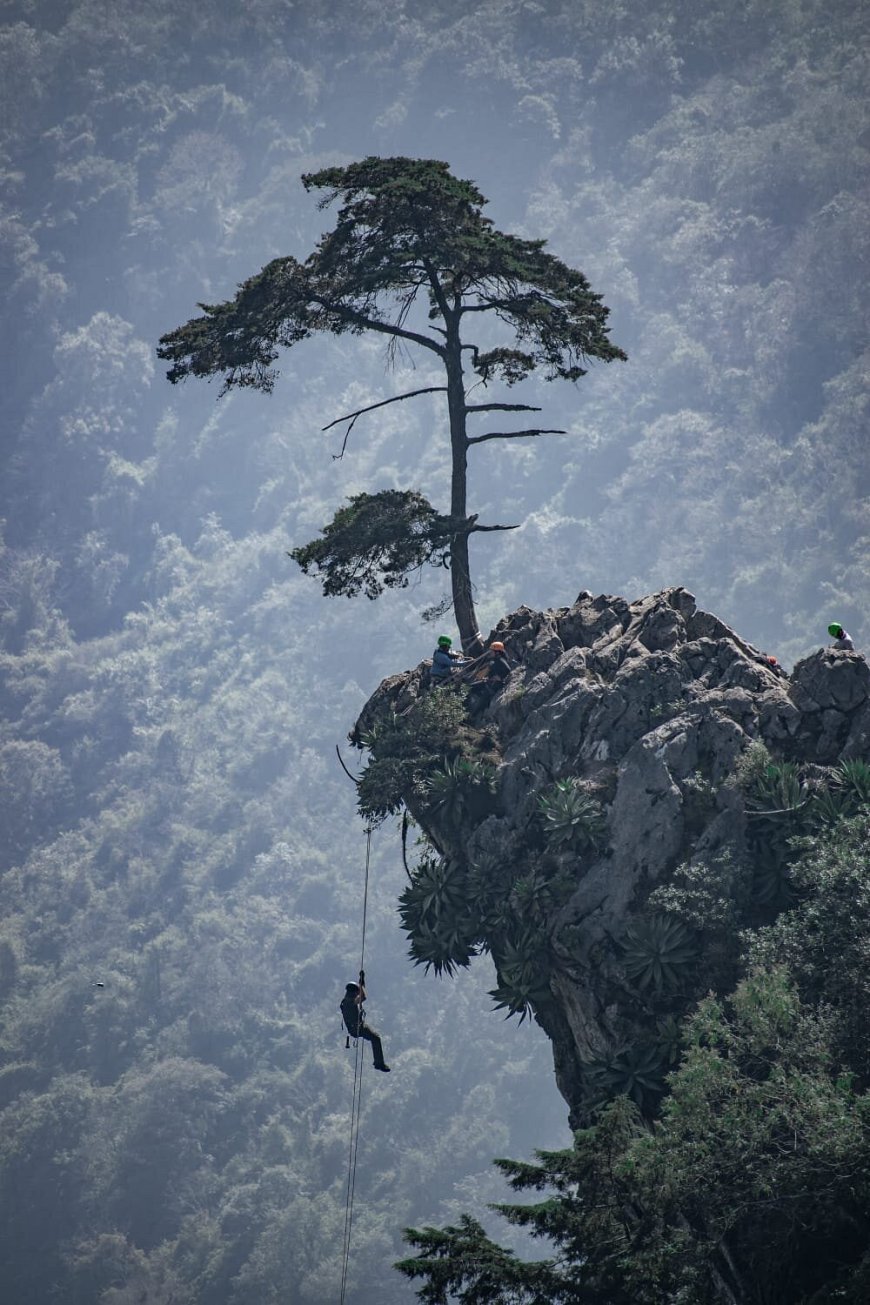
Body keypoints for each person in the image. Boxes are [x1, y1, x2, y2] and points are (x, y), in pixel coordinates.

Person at [340, 970, 390, 1072]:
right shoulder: (351, 1001)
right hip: (358, 1028)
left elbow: (361, 995)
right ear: (353, 992)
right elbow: (363, 997)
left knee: (375, 1038)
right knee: (376, 1038)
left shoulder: (345, 1001)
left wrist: (362, 982)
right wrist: (361, 984)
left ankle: (378, 1063)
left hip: (355, 1027)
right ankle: (379, 1064)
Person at [467, 640, 512, 715]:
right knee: (469, 688)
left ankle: (472, 717)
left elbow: (508, 670)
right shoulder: (495, 660)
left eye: (491, 651)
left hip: (493, 687)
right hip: (488, 683)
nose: (489, 653)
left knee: (478, 708)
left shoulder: (501, 661)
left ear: (497, 652)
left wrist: (500, 677)